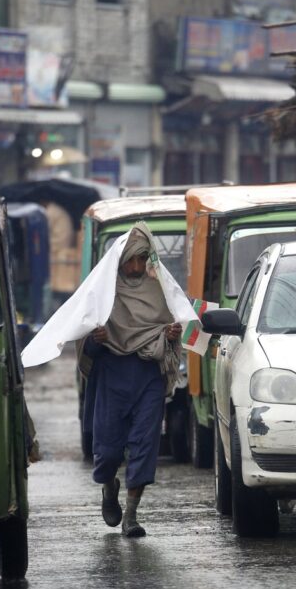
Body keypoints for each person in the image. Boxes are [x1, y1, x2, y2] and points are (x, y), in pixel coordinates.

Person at [78, 226, 184, 538]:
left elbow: (174, 324)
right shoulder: (102, 293)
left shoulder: (160, 290)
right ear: (120, 261)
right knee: (108, 453)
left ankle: (132, 516)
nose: (136, 268)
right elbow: (84, 343)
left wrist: (170, 336)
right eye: (130, 261)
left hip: (148, 376)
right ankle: (109, 489)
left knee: (144, 445)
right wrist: (96, 340)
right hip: (112, 377)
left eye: (141, 259)